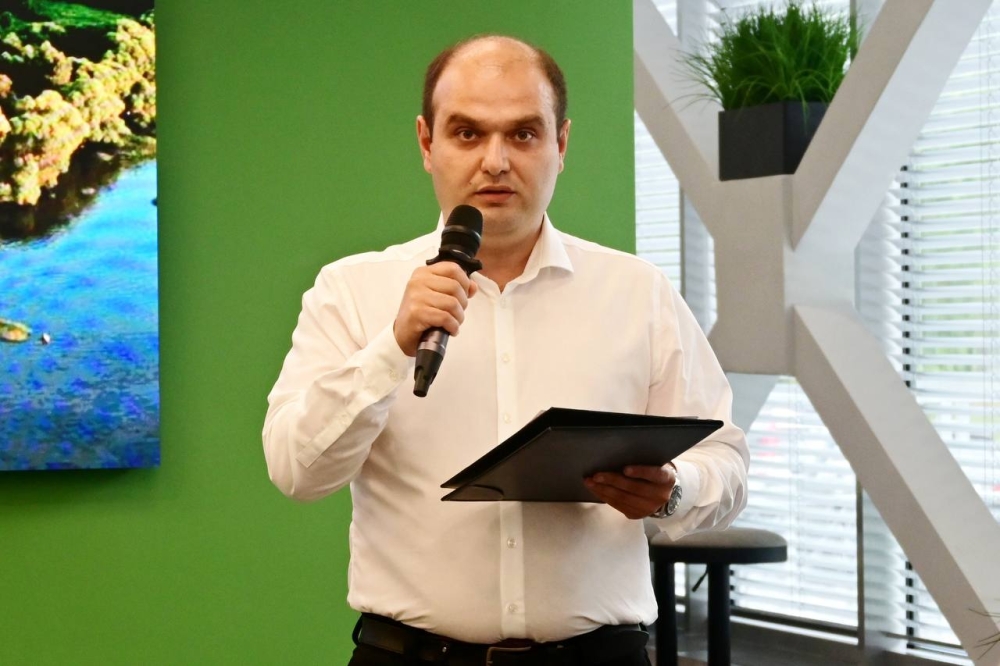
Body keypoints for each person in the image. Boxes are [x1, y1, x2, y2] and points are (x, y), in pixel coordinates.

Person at [263, 34, 749, 666]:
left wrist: (673, 491)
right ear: (426, 143)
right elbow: (298, 472)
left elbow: (726, 460)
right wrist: (392, 347)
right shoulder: (352, 290)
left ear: (561, 144)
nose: (495, 162)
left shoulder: (637, 292)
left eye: (523, 134)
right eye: (467, 133)